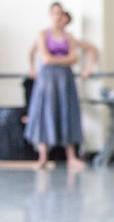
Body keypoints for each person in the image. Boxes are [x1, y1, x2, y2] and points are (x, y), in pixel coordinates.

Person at [25, 2, 85, 171]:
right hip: (47, 81)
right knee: (45, 114)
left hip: (65, 81)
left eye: (60, 13)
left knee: (67, 114)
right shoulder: (43, 34)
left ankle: (71, 157)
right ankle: (42, 157)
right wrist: (34, 66)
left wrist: (55, 59)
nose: (58, 16)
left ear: (63, 16)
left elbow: (74, 58)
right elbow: (45, 58)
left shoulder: (70, 37)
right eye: (55, 13)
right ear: (50, 15)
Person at [28, 9, 99, 81]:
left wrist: (88, 69)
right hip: (47, 77)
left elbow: (91, 49)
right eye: (60, 20)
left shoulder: (69, 38)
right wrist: (32, 68)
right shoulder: (44, 35)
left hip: (64, 76)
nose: (62, 23)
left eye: (66, 22)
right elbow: (39, 55)